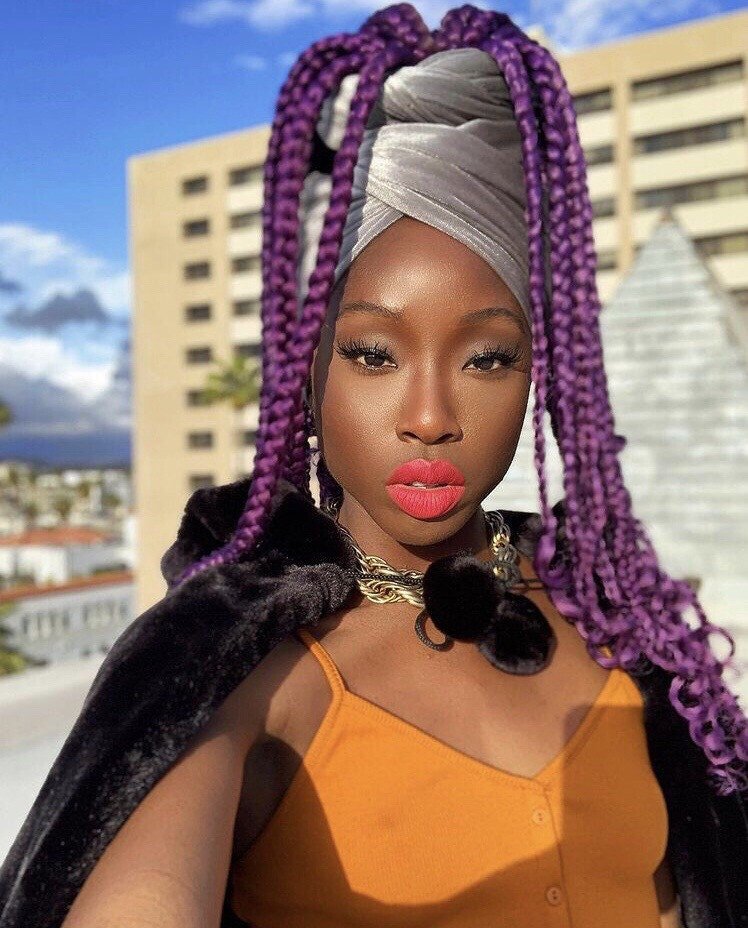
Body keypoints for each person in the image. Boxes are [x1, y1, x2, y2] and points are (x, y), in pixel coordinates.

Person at [1, 5, 745, 928]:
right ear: (306, 373)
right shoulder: (247, 672)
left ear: (541, 378)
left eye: (487, 359)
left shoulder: (619, 624)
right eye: (372, 355)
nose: (431, 419)